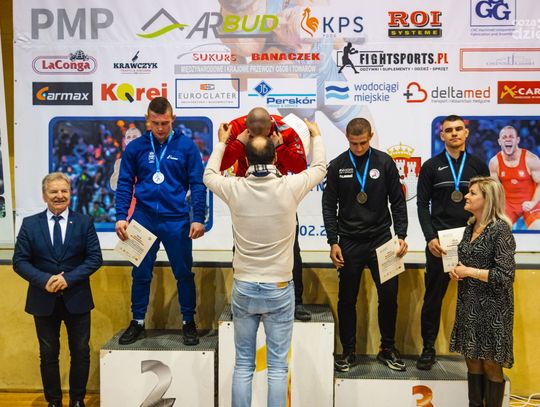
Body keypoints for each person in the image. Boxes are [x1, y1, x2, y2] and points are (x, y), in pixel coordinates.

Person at [204, 117, 326, 407]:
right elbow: (320, 168)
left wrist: (223, 142)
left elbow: (208, 175)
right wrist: (316, 135)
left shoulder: (234, 188)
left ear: (245, 158)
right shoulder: (290, 187)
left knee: (244, 365)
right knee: (278, 367)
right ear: (275, 157)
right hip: (279, 288)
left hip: (245, 287)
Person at [115, 97, 206, 346]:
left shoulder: (187, 147)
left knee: (183, 273)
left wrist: (198, 217)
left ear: (172, 119)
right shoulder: (136, 148)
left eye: (165, 123)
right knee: (140, 273)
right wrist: (121, 216)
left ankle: (188, 321)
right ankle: (137, 321)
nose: (160, 128)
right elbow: (124, 183)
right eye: (155, 123)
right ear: (147, 120)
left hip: (176, 219)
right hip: (143, 218)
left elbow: (198, 184)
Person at [322, 118, 408, 372]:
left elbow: (398, 201)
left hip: (382, 239)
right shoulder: (337, 166)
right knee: (347, 299)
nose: (358, 148)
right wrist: (333, 241)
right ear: (347, 139)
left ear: (370, 136)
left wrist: (401, 234)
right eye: (353, 143)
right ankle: (349, 352)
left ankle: (387, 349)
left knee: (389, 296)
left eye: (362, 143)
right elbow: (329, 206)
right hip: (349, 241)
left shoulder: (384, 162)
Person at [13, 172, 102, 407]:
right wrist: (44, 280)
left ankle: (77, 400)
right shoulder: (30, 224)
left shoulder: (84, 222)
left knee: (80, 352)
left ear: (70, 194)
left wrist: (68, 279)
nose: (59, 196)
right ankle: (53, 402)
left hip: (77, 299)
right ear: (44, 195)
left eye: (64, 191)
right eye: (53, 191)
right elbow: (19, 261)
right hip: (43, 300)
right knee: (48, 354)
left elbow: (95, 258)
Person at [220, 107, 312, 321]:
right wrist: (239, 143)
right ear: (247, 128)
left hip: (279, 195)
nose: (259, 139)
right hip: (247, 194)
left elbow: (300, 167)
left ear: (271, 125)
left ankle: (296, 302)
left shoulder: (286, 128)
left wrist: (280, 146)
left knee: (292, 249)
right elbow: (221, 164)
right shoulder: (235, 127)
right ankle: (242, 302)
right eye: (253, 136)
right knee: (240, 249)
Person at [416, 115, 490, 370]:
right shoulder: (431, 166)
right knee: (433, 299)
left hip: (473, 241)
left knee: (477, 297)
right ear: (442, 136)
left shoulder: (478, 166)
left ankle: (478, 349)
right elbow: (421, 205)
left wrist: (484, 236)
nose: (454, 133)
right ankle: (428, 349)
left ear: (466, 133)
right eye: (449, 130)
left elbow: (487, 204)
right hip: (441, 245)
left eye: (459, 129)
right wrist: (430, 238)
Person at [449, 176, 515, 407]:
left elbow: (505, 276)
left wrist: (469, 271)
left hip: (493, 308)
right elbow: (466, 262)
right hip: (469, 304)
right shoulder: (470, 227)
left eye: (473, 193)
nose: (466, 196)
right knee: (472, 361)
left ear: (488, 199)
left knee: (490, 363)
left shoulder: (501, 230)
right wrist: (456, 270)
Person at [489, 125, 540, 230]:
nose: (508, 139)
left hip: (530, 202)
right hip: (508, 205)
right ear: (499, 141)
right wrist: (499, 207)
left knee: (537, 227)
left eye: (511, 136)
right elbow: (496, 189)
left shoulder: (531, 159)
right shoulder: (494, 162)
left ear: (517, 140)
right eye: (504, 137)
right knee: (496, 230)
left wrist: (533, 203)